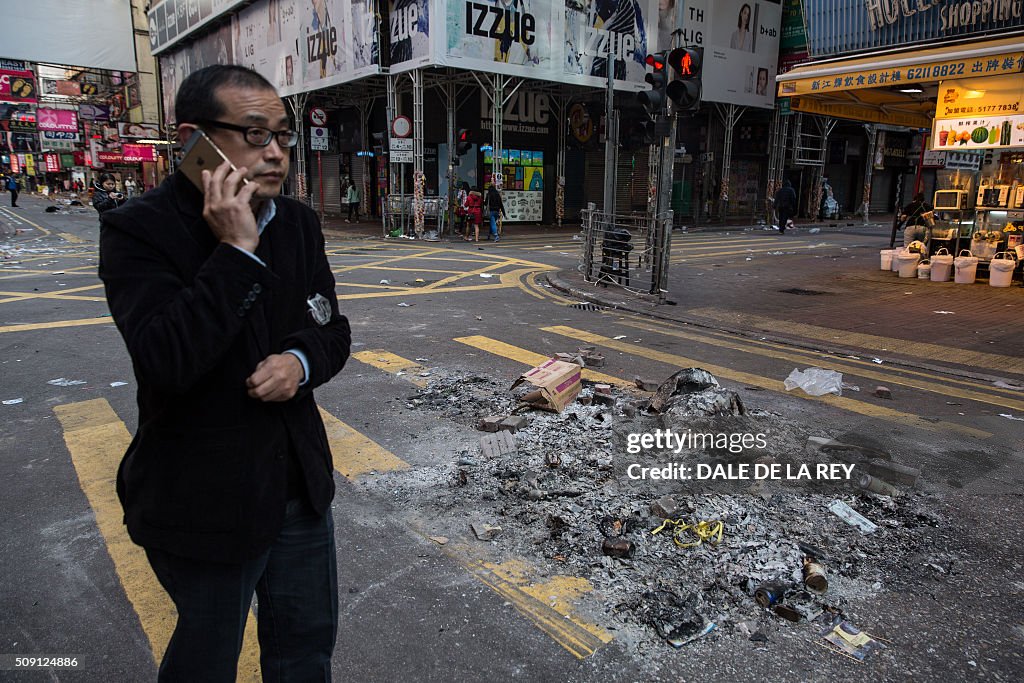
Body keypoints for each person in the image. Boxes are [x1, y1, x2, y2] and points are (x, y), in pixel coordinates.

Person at [97, 65, 350, 681]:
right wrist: (235, 252)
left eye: (284, 137)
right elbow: (167, 359)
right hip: (204, 500)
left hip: (298, 487)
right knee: (206, 659)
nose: (276, 153)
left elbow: (331, 328)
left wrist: (301, 361)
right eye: (255, 134)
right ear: (194, 138)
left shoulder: (296, 224)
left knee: (306, 650)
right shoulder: (140, 230)